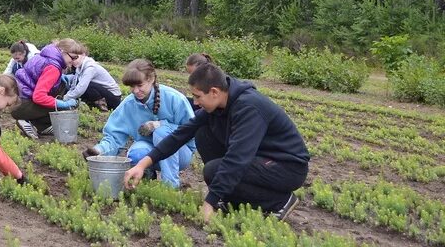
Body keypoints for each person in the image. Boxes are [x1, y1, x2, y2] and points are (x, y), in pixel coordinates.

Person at [123, 63, 310, 222]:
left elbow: (237, 160)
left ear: (214, 92)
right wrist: (143, 164)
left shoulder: (248, 108)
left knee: (214, 171)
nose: (195, 103)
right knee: (202, 133)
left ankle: (279, 201)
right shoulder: (220, 104)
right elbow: (180, 134)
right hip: (259, 158)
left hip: (286, 166)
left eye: (197, 97)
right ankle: (230, 198)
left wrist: (209, 202)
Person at [83, 59, 195, 188]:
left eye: (140, 85)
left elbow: (191, 131)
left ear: (151, 79)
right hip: (150, 151)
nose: (135, 91)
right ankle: (146, 178)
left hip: (180, 153)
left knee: (162, 133)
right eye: (132, 86)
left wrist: (160, 125)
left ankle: (170, 186)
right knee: (135, 153)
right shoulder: (129, 104)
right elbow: (114, 136)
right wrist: (99, 151)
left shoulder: (174, 98)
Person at [12, 38, 81, 140]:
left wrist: (59, 78)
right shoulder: (53, 67)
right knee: (62, 102)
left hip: (16, 101)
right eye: (73, 58)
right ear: (63, 52)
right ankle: (26, 120)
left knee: (60, 85)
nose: (74, 61)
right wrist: (62, 104)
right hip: (22, 106)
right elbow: (38, 97)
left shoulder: (46, 55)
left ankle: (42, 126)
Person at [63, 44, 122, 111]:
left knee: (87, 86)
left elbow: (81, 88)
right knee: (79, 84)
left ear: (83, 55)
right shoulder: (79, 67)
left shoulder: (90, 67)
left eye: (75, 58)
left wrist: (65, 99)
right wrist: (67, 96)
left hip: (114, 98)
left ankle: (102, 107)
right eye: (72, 58)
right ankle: (92, 106)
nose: (73, 61)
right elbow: (74, 86)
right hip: (104, 93)